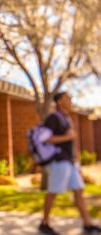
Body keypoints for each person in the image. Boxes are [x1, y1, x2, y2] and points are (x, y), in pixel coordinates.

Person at [38, 92, 101, 235]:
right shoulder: (53, 118)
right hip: (59, 161)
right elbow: (45, 139)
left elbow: (72, 141)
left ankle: (87, 224)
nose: (71, 99)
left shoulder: (67, 118)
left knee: (79, 191)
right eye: (67, 97)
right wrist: (67, 136)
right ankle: (44, 223)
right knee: (53, 193)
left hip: (71, 162)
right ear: (59, 101)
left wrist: (77, 159)